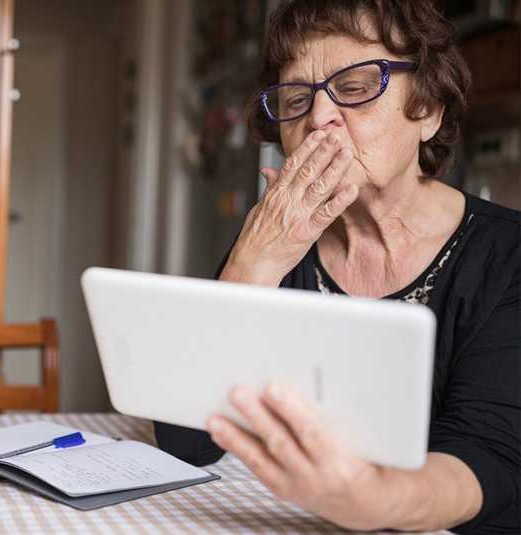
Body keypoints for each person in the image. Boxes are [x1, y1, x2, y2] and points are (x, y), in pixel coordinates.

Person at [153, 1, 520, 534]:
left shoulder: (507, 256)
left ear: (430, 110)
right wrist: (253, 262)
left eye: (354, 87)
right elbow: (186, 440)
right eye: (296, 97)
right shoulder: (278, 243)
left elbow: (493, 459)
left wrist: (373, 501)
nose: (318, 118)